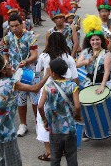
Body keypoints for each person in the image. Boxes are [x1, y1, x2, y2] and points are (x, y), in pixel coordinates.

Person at [0, 53, 51, 166]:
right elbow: (35, 88)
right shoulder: (10, 84)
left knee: (3, 159)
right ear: (2, 71)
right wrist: (47, 75)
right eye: (7, 64)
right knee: (13, 162)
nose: (10, 66)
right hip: (5, 132)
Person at [76, 15, 111, 142]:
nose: (95, 42)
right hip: (89, 82)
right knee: (87, 107)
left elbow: (107, 71)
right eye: (92, 40)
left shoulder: (107, 54)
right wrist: (87, 61)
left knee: (110, 107)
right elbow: (76, 64)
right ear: (89, 41)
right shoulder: (85, 52)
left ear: (101, 40)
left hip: (104, 82)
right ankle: (88, 131)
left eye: (97, 39)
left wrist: (102, 86)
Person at [35, 34, 79, 162]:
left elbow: (38, 72)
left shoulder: (43, 56)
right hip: (67, 92)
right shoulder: (68, 57)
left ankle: (49, 151)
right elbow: (75, 79)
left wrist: (44, 119)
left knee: (46, 124)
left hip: (47, 92)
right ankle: (66, 148)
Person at [3, 13, 38, 137]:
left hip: (31, 71)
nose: (14, 29)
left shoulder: (30, 36)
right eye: (12, 26)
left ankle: (38, 123)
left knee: (35, 99)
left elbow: (35, 54)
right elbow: (5, 53)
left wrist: (27, 61)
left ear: (21, 24)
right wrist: (7, 62)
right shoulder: (7, 38)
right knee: (20, 100)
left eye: (16, 25)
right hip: (16, 73)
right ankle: (23, 124)